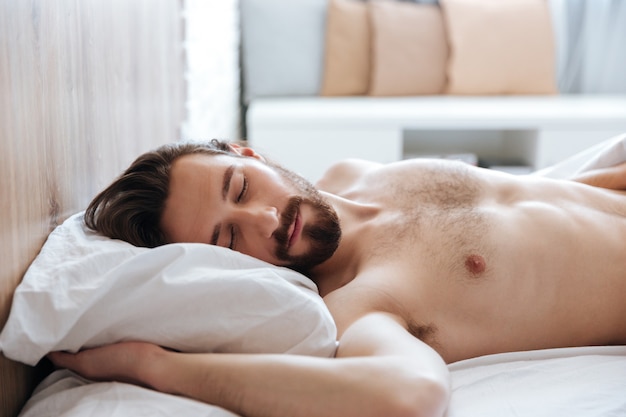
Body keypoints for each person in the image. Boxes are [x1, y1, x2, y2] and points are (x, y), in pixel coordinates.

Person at [49, 139, 626, 417]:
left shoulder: (360, 172)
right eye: (228, 240)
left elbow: (550, 193)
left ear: (248, 153)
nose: (265, 221)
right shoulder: (362, 304)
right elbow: (410, 395)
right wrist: (158, 366)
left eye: (241, 189)